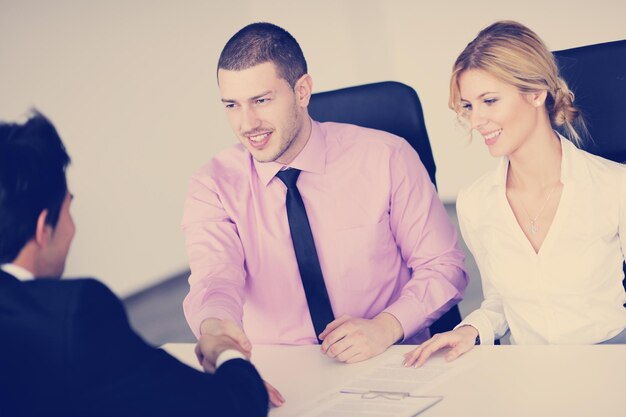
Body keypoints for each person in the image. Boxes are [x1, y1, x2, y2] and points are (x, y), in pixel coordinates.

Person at [182, 21, 468, 368]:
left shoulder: (386, 157)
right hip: (283, 371)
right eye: (231, 105)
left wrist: (386, 327)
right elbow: (215, 278)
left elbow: (443, 266)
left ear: (302, 91)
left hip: (390, 356)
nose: (247, 123)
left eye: (261, 100)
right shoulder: (213, 185)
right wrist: (217, 331)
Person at [0, 111, 270, 417]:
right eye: (68, 209)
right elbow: (232, 407)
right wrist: (226, 352)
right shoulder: (71, 316)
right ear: (42, 228)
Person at [404, 20, 626, 368]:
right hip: (525, 373)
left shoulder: (615, 187)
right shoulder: (476, 202)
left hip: (609, 367)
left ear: (537, 93)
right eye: (468, 106)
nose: (476, 121)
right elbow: (500, 303)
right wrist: (471, 330)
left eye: (489, 101)